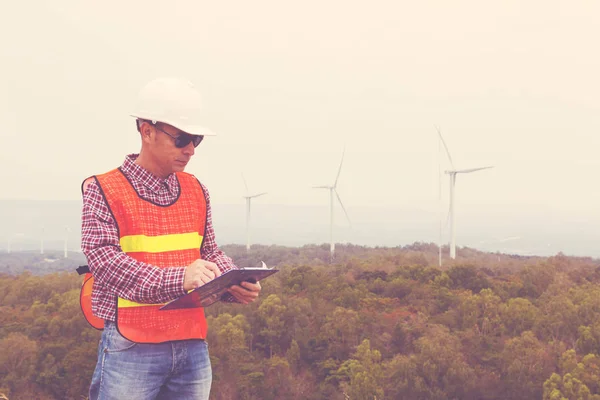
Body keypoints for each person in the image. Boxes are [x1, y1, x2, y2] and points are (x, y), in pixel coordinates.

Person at [80, 77, 262, 400]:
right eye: (181, 138)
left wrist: (233, 280)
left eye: (197, 139)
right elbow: (108, 266)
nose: (190, 149)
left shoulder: (196, 190)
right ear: (146, 131)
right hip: (131, 348)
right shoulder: (103, 189)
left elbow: (209, 252)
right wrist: (183, 277)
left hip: (192, 346)